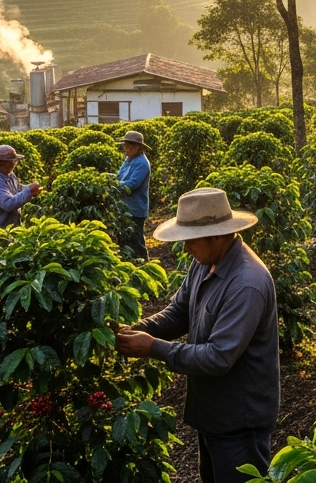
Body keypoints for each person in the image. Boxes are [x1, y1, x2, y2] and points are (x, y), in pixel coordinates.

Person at [115, 188, 279, 483]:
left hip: (240, 422)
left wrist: (153, 347)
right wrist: (139, 329)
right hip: (214, 414)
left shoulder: (246, 284)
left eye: (189, 240)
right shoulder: (204, 262)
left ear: (216, 236)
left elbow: (218, 357)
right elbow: (179, 313)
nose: (185, 248)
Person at [0, 144, 40, 240]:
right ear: (1, 163)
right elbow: (8, 204)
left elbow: (16, 188)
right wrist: (28, 191)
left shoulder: (8, 173)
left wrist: (28, 189)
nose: (14, 163)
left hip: (8, 231)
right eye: (12, 161)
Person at [116, 130, 152, 260]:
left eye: (131, 146)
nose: (127, 149)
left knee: (136, 241)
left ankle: (145, 265)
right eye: (126, 146)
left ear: (139, 147)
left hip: (135, 209)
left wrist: (114, 186)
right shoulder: (128, 159)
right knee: (127, 240)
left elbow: (133, 184)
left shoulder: (142, 163)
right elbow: (119, 176)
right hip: (125, 207)